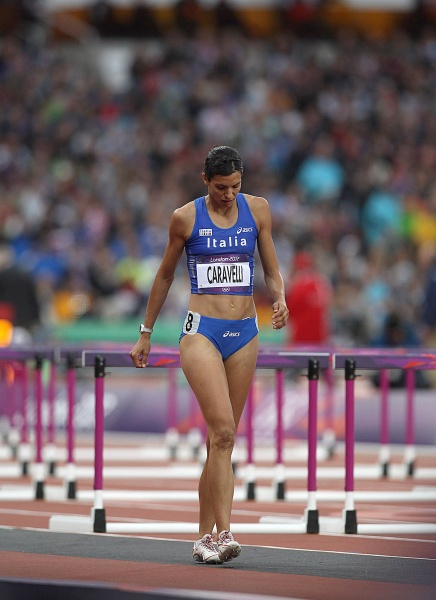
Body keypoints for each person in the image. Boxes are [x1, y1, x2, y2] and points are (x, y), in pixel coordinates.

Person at [130, 146, 289, 564]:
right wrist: (145, 333)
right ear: (205, 180)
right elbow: (165, 275)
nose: (229, 195)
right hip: (202, 333)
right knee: (222, 432)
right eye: (221, 187)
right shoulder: (185, 218)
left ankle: (203, 537)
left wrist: (279, 298)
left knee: (222, 441)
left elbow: (271, 268)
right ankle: (224, 533)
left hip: (245, 333)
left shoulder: (258, 210)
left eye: (236, 186)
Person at [285, 250, 332, 346]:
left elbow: (289, 311)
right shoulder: (322, 282)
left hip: (301, 337)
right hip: (320, 336)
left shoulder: (297, 284)